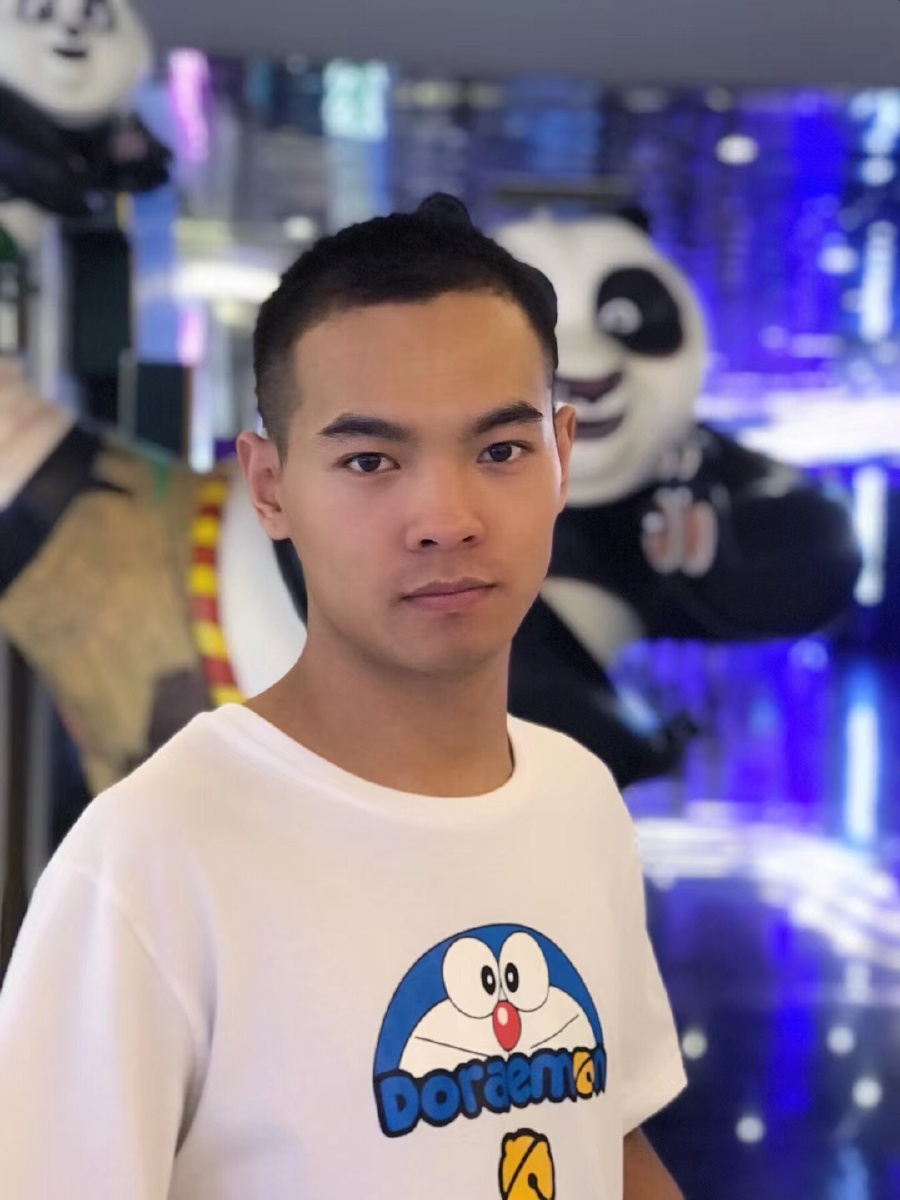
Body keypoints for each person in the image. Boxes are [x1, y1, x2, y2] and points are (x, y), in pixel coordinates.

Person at [0, 193, 686, 1198]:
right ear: (269, 487)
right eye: (370, 460)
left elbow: (606, 1138)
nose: (445, 518)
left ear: (562, 456)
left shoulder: (578, 800)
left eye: (501, 450)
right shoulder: (152, 857)